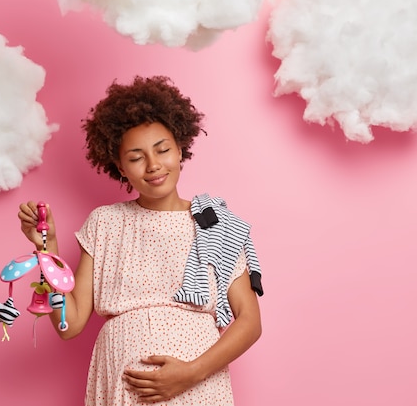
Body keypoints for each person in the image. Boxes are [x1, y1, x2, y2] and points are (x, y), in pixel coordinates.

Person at [18, 75, 263, 405]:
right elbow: (69, 324)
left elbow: (249, 322)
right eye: (135, 158)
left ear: (180, 147)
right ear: (119, 166)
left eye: (162, 150)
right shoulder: (105, 223)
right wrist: (46, 249)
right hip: (122, 386)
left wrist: (191, 373)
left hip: (198, 387)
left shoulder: (215, 224)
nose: (153, 165)